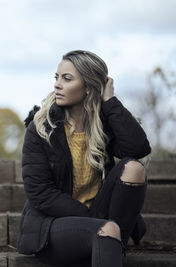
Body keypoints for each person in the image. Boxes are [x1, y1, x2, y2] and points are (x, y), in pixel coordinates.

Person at [16, 50, 151, 267]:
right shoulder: (41, 128)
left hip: (105, 221)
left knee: (134, 168)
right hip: (54, 226)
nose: (57, 85)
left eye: (67, 79)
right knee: (108, 229)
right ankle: (109, 241)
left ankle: (109, 244)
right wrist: (97, 219)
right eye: (57, 77)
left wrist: (110, 100)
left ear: (88, 87)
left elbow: (138, 148)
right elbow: (40, 193)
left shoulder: (103, 125)